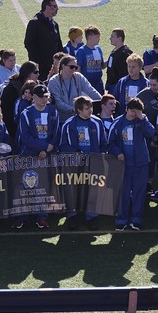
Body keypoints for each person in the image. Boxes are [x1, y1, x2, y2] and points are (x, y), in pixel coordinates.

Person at [58, 96, 106, 230]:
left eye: (90, 107)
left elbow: (103, 142)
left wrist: (100, 155)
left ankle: (91, 217)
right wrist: (78, 152)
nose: (90, 110)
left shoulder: (97, 122)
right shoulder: (69, 124)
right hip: (75, 164)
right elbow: (63, 145)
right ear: (79, 110)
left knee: (92, 190)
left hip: (93, 163)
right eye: (86, 108)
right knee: (73, 189)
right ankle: (72, 215)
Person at [108, 98, 155, 231]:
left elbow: (151, 133)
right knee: (123, 192)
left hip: (141, 163)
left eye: (137, 112)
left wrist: (142, 118)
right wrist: (118, 153)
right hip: (124, 164)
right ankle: (121, 219)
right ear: (126, 109)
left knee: (139, 192)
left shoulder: (142, 121)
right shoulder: (117, 123)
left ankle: (136, 219)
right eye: (132, 111)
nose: (134, 114)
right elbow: (110, 143)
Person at [16, 84, 59, 229]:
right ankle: (22, 216)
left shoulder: (53, 111)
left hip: (47, 155)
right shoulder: (26, 113)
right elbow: (25, 136)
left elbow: (56, 133)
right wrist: (43, 147)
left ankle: (42, 216)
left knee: (44, 186)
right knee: (26, 185)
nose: (44, 100)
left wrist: (47, 149)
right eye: (41, 97)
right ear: (33, 97)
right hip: (29, 154)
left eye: (46, 97)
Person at [48, 55, 102, 122]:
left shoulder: (78, 77)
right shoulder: (54, 81)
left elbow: (91, 91)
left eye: (75, 67)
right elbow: (58, 103)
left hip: (77, 117)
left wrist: (103, 102)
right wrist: (75, 109)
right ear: (63, 66)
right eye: (71, 67)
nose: (74, 69)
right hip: (61, 119)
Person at [24, 0, 63, 82]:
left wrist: (61, 60)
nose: (57, 9)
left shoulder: (54, 24)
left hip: (53, 66)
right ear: (47, 7)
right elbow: (29, 44)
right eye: (54, 6)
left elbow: (58, 44)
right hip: (40, 68)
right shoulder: (35, 23)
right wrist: (38, 62)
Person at [0, 62, 39, 142]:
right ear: (27, 73)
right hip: (16, 131)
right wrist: (14, 132)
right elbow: (5, 111)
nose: (38, 74)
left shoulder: (38, 85)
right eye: (36, 72)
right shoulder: (11, 88)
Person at [74, 25, 105, 94]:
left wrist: (112, 58)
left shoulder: (98, 49)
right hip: (87, 84)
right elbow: (78, 69)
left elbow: (102, 66)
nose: (99, 39)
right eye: (97, 37)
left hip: (98, 83)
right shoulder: (81, 51)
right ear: (90, 37)